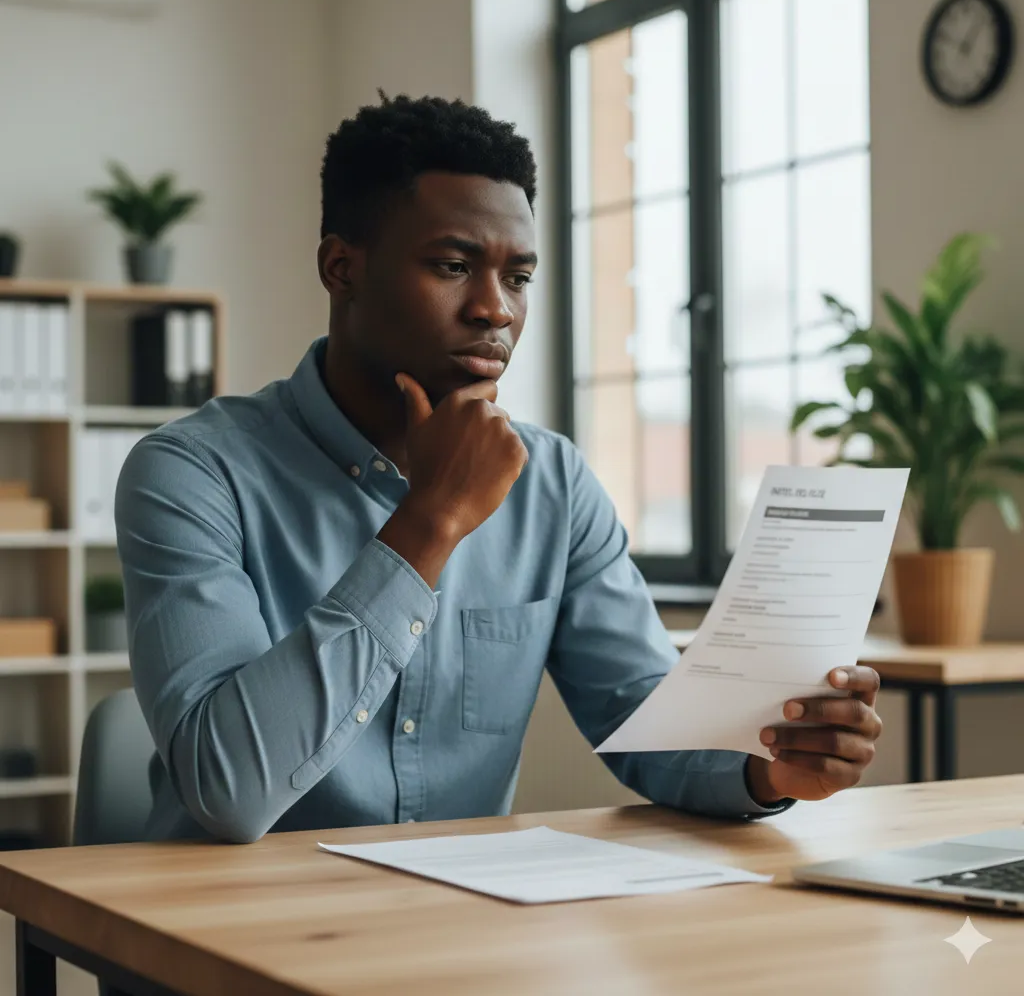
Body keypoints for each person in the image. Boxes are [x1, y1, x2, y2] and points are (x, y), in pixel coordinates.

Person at [116, 94, 883, 844]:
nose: (497, 310)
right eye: (453, 265)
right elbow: (228, 791)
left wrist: (769, 766)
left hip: (459, 930)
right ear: (341, 268)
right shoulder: (191, 474)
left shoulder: (553, 482)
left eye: (517, 277)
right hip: (229, 932)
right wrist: (431, 521)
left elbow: (646, 718)